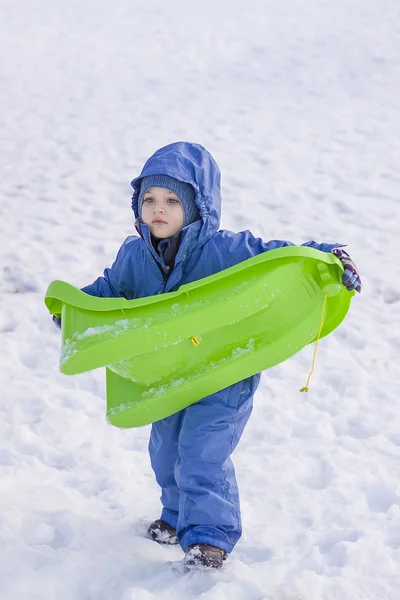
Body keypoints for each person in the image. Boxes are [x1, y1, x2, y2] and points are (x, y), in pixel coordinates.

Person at [54, 142, 361, 569]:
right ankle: (178, 519)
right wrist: (76, 316)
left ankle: (209, 538)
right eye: (149, 199)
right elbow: (107, 291)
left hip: (223, 372)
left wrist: (329, 255)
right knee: (165, 453)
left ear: (200, 204)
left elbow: (284, 256)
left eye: (172, 200)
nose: (158, 209)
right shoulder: (133, 255)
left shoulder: (226, 250)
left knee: (201, 451)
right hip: (169, 373)